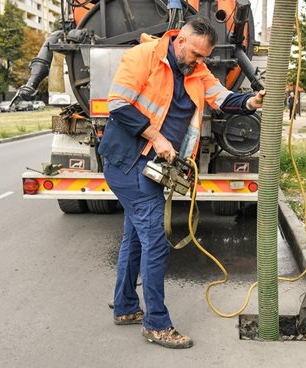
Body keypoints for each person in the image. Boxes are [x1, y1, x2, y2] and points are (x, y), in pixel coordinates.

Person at [97, 18, 265, 349]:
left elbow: (221, 97)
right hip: (127, 161)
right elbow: (117, 104)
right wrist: (156, 136)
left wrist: (250, 102)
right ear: (181, 41)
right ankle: (156, 324)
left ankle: (127, 306)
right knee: (156, 241)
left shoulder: (195, 71)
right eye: (197, 55)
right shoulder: (144, 56)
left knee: (136, 236)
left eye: (205, 58)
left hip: (153, 165)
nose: (200, 63)